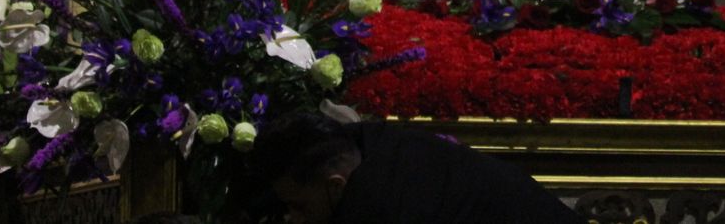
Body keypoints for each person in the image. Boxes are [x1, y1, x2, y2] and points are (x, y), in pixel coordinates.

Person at [248, 113, 580, 224]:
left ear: (336, 185)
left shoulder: (384, 205)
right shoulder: (366, 142)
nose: (294, 219)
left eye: (300, 207)